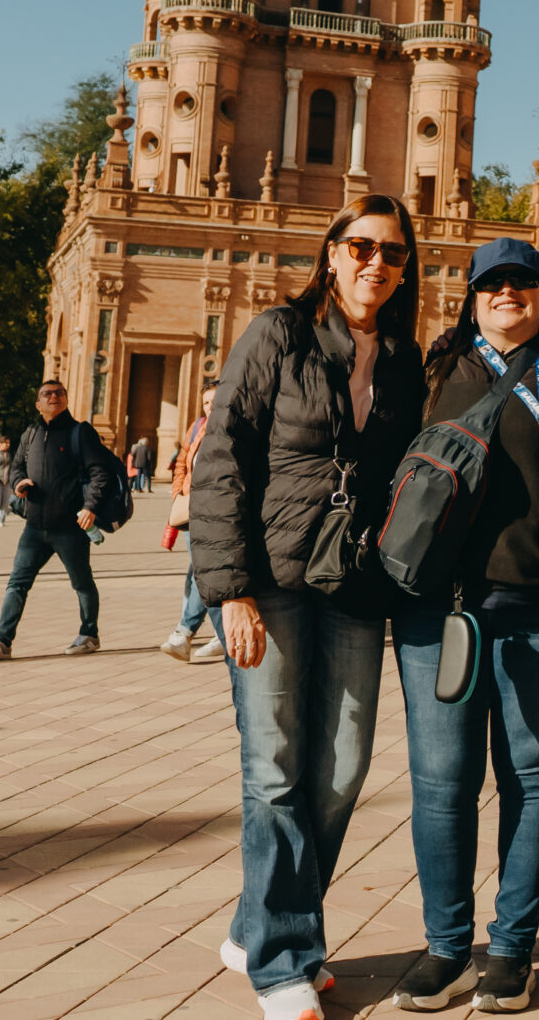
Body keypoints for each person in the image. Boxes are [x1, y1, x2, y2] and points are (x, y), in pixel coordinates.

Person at [192, 194, 429, 1020]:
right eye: (361, 246)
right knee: (275, 767)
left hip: (353, 582)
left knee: (342, 766)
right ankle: (285, 960)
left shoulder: (402, 358)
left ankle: (259, 924)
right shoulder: (278, 334)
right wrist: (229, 591)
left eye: (392, 252)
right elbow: (222, 458)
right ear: (331, 253)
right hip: (271, 579)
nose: (376, 263)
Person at [390, 237, 539, 1014]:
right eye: (492, 283)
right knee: (442, 783)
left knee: (532, 777)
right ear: (472, 298)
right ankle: (447, 947)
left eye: (521, 281)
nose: (507, 292)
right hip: (439, 606)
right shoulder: (433, 369)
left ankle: (511, 949)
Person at [0, 380, 117, 662]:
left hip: (71, 528)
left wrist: (90, 507)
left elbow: (100, 473)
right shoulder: (31, 433)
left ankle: (89, 634)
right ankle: (2, 641)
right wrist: (18, 483)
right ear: (38, 403)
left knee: (82, 583)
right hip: (34, 527)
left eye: (59, 393)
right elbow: (16, 467)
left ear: (66, 399)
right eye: (47, 394)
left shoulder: (80, 432)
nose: (54, 397)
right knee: (17, 583)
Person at [161, 382, 226, 665]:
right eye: (206, 403)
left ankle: (187, 632)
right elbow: (182, 462)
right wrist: (179, 493)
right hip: (191, 511)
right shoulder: (198, 426)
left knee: (202, 573)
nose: (210, 407)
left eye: (215, 401)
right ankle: (218, 635)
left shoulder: (235, 427)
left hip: (218, 513)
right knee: (197, 573)